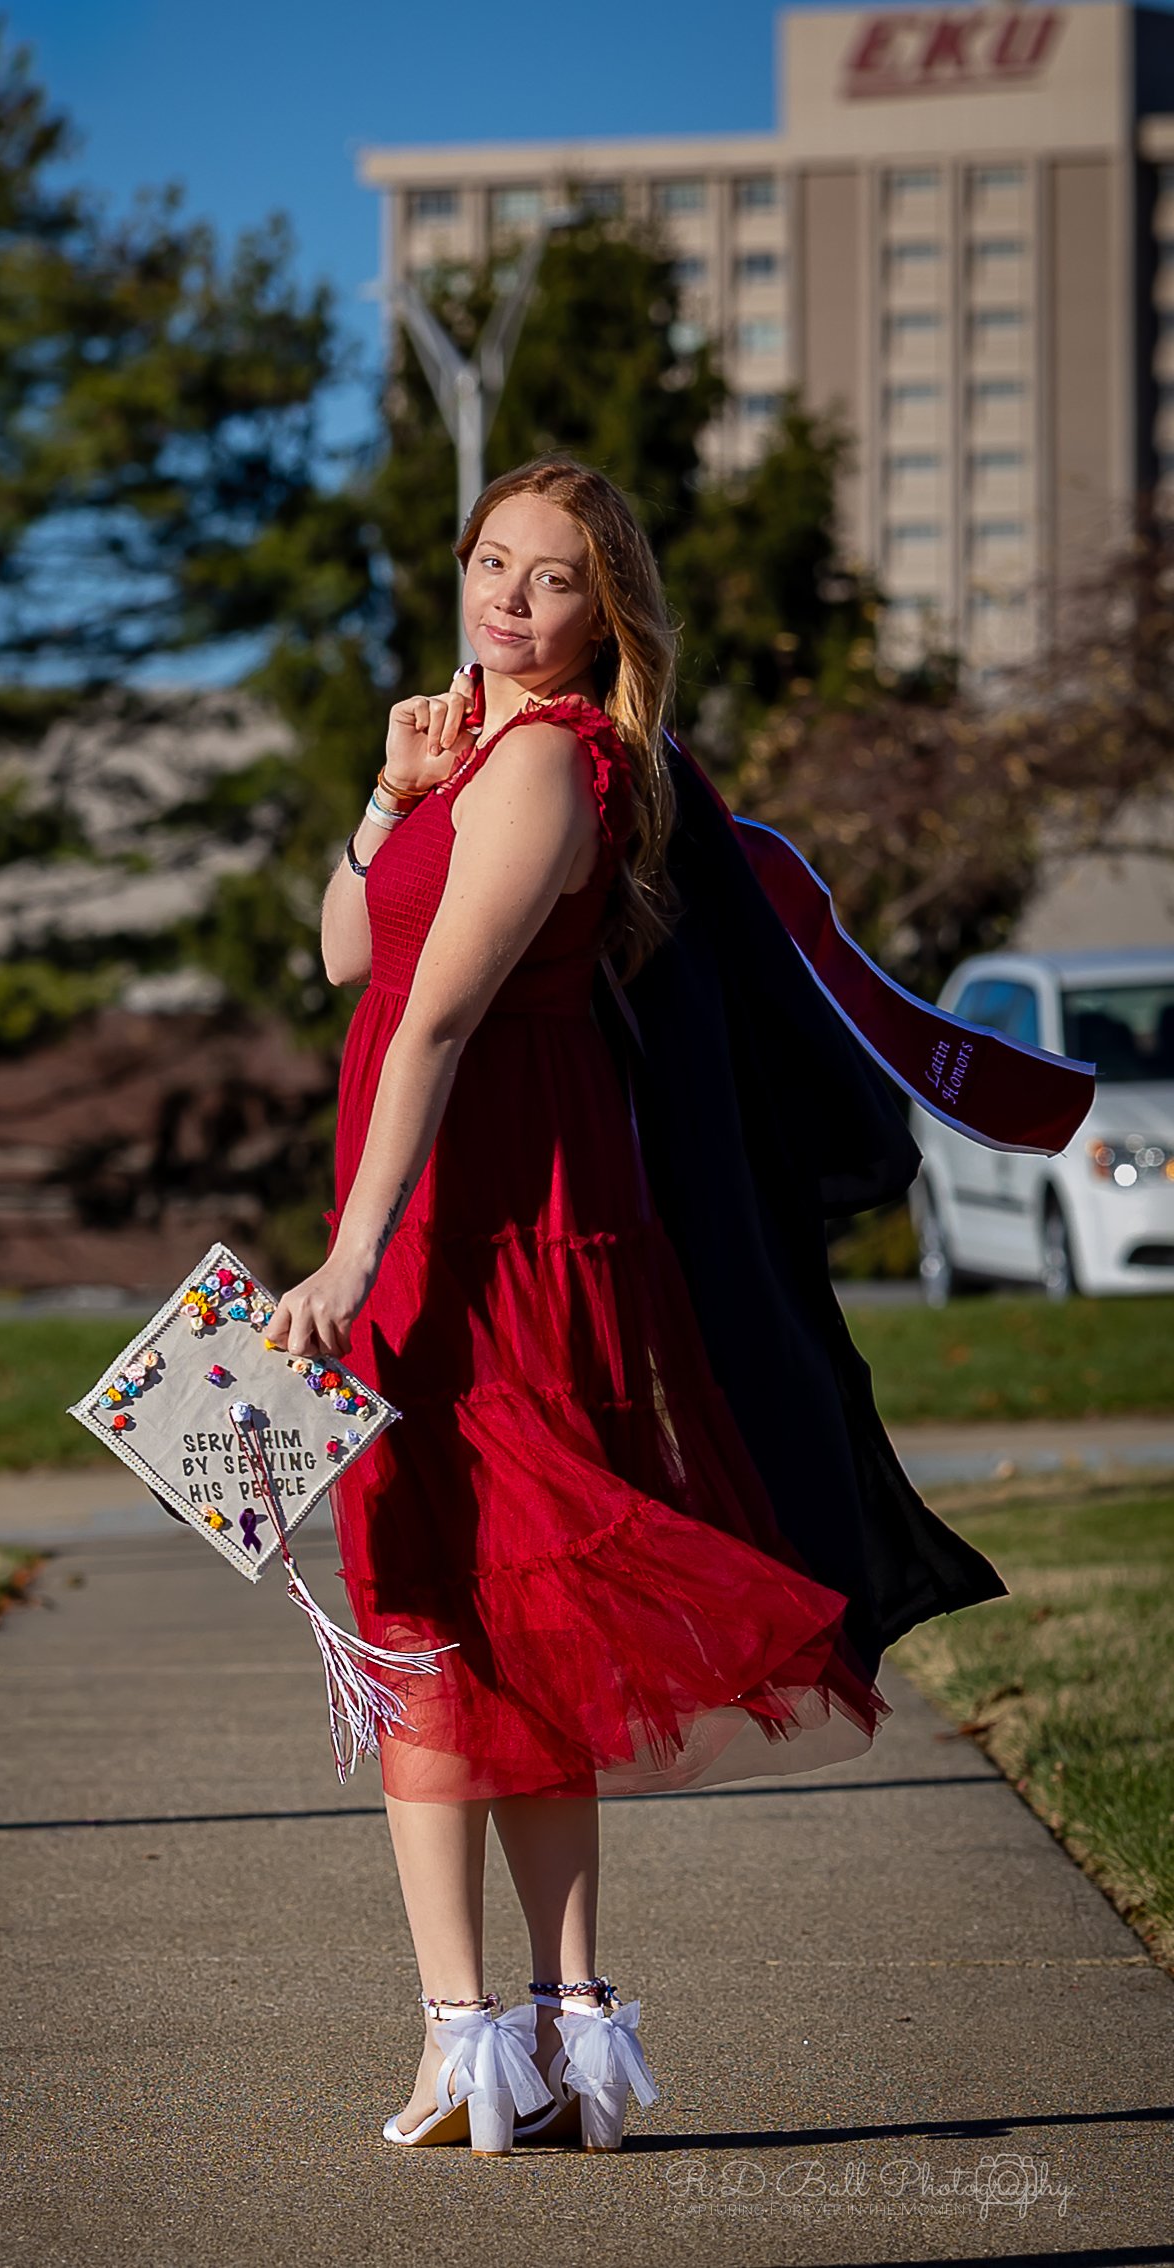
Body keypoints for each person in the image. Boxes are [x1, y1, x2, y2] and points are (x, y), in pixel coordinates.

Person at [262, 453, 996, 2157]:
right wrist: (388, 797)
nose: (507, 601)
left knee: (441, 1613)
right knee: (482, 1621)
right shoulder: (477, 760)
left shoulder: (554, 766)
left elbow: (434, 1023)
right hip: (436, 1200)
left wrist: (362, 1257)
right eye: (489, 564)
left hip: (483, 1223)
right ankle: (555, 2033)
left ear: (608, 614)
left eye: (551, 578)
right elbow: (340, 957)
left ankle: (482, 2043)